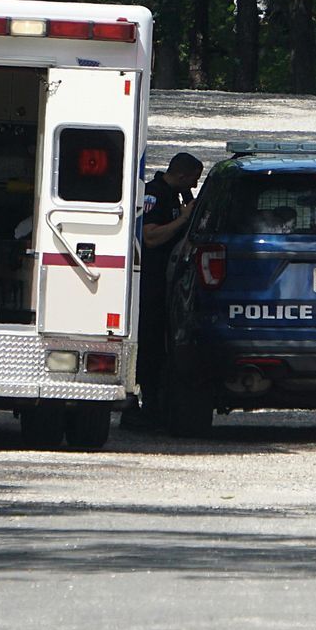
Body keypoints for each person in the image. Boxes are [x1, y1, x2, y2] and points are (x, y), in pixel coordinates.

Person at [130, 152, 203, 426]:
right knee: (148, 346)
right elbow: (149, 237)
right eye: (193, 180)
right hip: (149, 285)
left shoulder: (174, 196)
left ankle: (155, 405)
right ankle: (140, 407)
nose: (193, 186)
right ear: (182, 175)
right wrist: (183, 219)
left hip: (167, 286)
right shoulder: (154, 194)